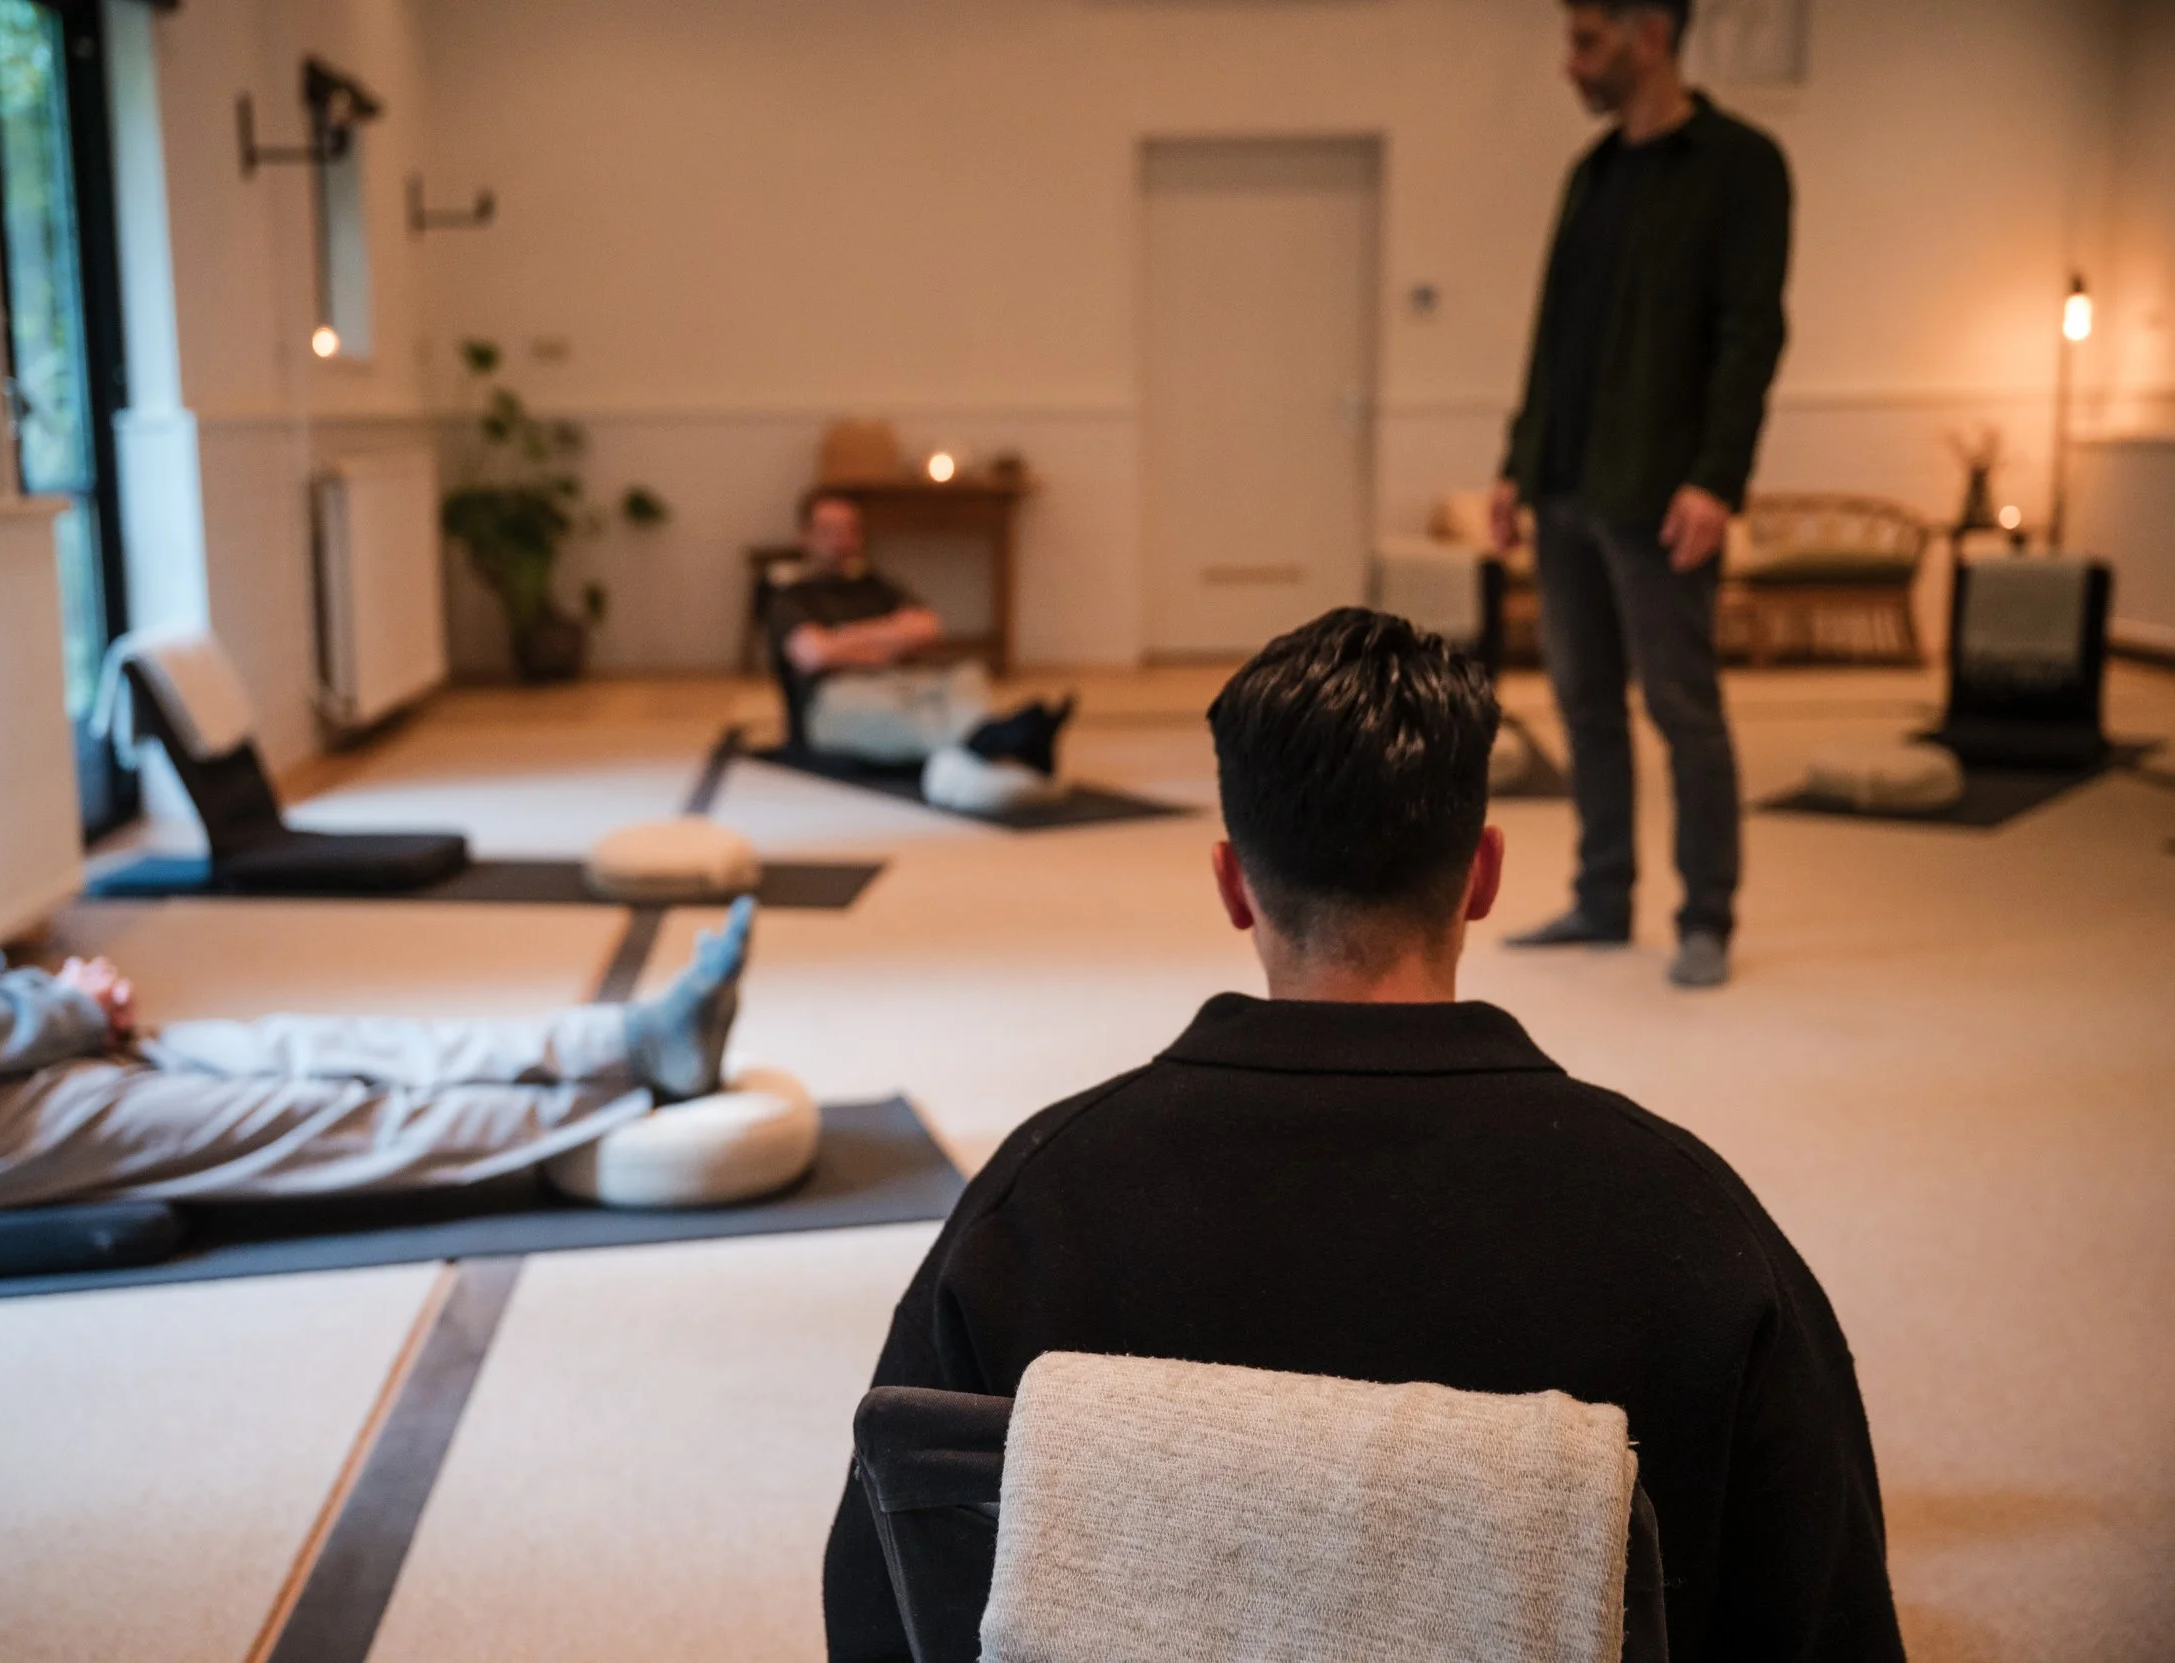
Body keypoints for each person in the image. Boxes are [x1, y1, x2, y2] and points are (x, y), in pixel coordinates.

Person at [823, 608, 1902, 1662]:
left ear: (1232, 884)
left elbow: (882, 1600)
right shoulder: (1695, 1227)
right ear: (1482, 875)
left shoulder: (1033, 1206)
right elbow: (1828, 1618)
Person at [0, 534, 752, 1213]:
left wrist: (49, 1001)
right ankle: (624, 1111)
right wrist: (52, 1019)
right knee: (300, 1114)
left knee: (309, 1042)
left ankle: (624, 1038)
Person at [1491, 0, 1793, 989]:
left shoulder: (1740, 165)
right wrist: (1514, 464)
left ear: (1649, 34)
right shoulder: (1591, 173)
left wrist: (1717, 476)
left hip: (1659, 492)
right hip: (1566, 484)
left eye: (1586, 42)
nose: (1570, 64)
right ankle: (1601, 896)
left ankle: (1704, 914)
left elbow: (1751, 336)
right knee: (1582, 703)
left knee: (1681, 708)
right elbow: (1554, 337)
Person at [768, 490, 1073, 776]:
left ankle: (988, 740)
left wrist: (842, 640)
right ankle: (996, 742)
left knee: (966, 676)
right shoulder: (792, 597)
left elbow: (927, 627)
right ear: (804, 537)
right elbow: (814, 653)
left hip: (901, 683)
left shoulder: (875, 586)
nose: (842, 541)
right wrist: (889, 638)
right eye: (829, 531)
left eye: (850, 530)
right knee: (889, 711)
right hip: (834, 699)